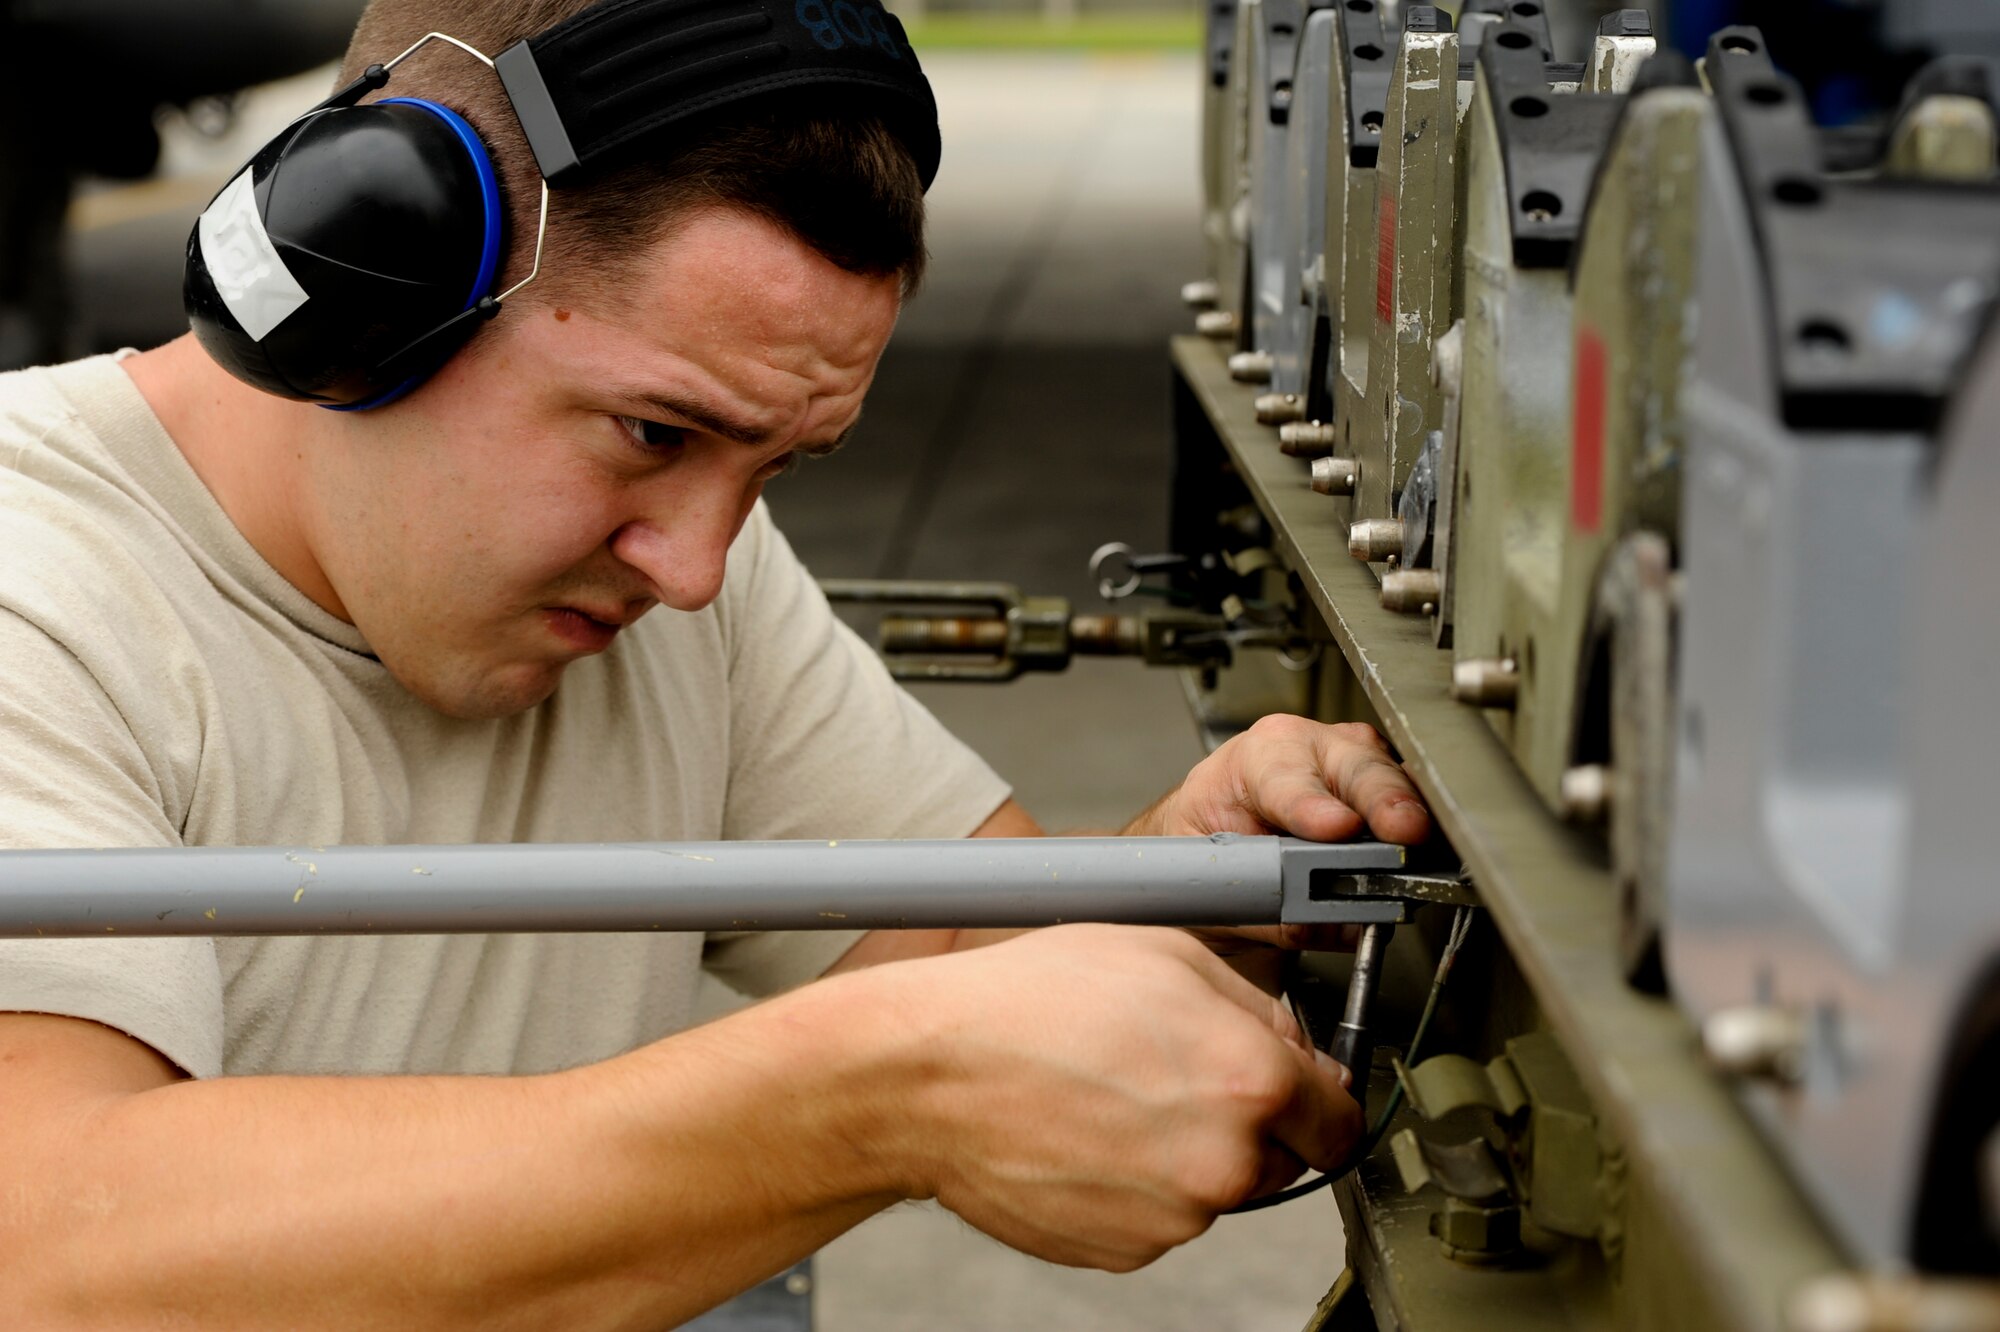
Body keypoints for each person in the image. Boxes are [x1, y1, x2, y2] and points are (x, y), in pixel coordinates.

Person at [0, 0, 1432, 1326]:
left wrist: (1193, 905)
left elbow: (952, 959)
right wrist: (865, 1102)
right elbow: (51, 1252)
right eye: (653, 433)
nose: (695, 568)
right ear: (352, 283)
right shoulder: (38, 582)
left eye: (777, 464)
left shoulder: (680, 568)